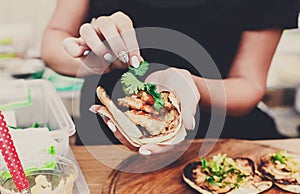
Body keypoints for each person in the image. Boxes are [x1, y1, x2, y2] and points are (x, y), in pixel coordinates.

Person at [41, 0, 299, 154]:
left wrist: (191, 85)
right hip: (106, 136)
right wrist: (95, 60)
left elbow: (249, 83)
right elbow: (52, 44)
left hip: (219, 135)